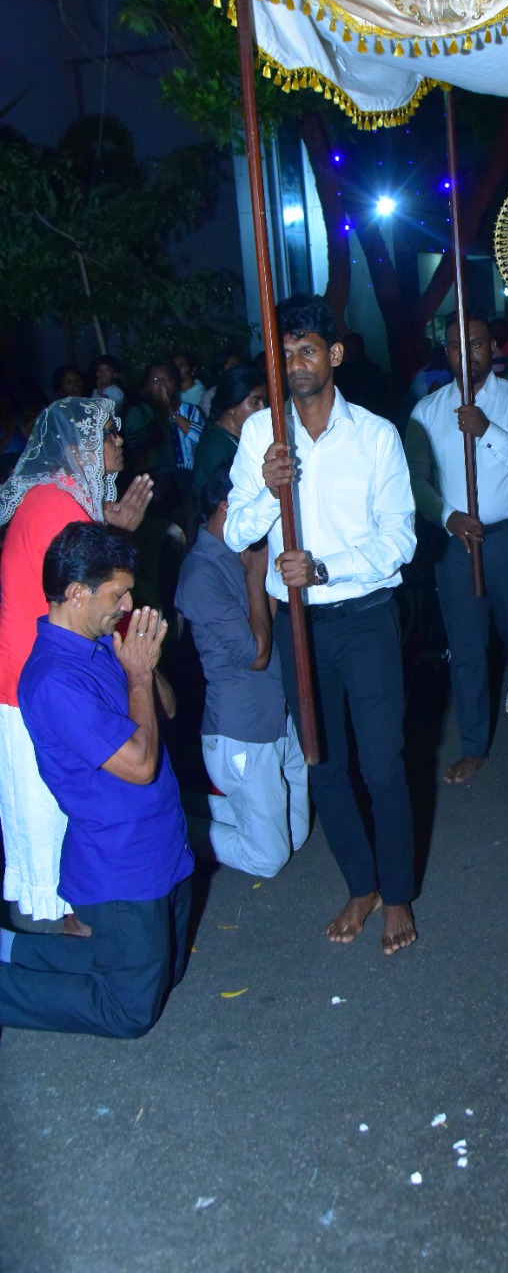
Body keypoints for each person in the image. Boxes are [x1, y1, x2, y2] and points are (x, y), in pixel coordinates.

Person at [224, 294, 418, 954]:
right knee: (322, 764)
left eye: (306, 348)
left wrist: (326, 567)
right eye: (282, 351)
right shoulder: (260, 435)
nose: (294, 361)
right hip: (298, 627)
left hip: (364, 620)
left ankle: (397, 898)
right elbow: (239, 534)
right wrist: (265, 485)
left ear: (333, 355)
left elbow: (400, 540)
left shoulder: (376, 436)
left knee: (383, 765)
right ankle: (359, 885)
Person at [0, 523, 192, 1039]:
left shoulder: (98, 642)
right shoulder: (52, 678)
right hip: (122, 864)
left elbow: (167, 711)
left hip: (162, 844)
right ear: (77, 594)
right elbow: (140, 765)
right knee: (129, 1011)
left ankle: (13, 947)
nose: (128, 603)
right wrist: (137, 677)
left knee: (165, 974)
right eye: (118, 593)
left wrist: (143, 665)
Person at [0, 401, 152, 924]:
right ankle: (54, 956)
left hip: (47, 678)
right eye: (107, 433)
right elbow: (95, 598)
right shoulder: (57, 506)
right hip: (36, 686)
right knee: (53, 812)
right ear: (75, 447)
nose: (119, 441)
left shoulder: (67, 500)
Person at [405, 314, 508, 784]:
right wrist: (446, 515)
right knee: (467, 648)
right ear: (446, 352)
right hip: (457, 546)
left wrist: (487, 431)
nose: (466, 353)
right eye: (456, 346)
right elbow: (416, 480)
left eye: (475, 344)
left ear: (492, 347)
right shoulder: (426, 411)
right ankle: (474, 744)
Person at [175, 472, 308, 878]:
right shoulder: (201, 573)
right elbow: (255, 655)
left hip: (279, 717)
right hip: (241, 732)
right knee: (268, 858)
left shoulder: (245, 551)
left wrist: (266, 570)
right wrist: (255, 574)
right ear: (226, 509)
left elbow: (271, 620)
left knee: (296, 835)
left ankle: (188, 803)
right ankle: (174, 831)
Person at [124, 360, 205, 521]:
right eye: (155, 380)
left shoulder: (191, 410)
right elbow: (136, 444)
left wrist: (171, 411)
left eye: (166, 379)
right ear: (147, 385)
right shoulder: (139, 412)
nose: (161, 385)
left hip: (187, 482)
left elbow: (200, 439)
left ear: (175, 382)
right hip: (154, 487)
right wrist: (160, 414)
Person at [191, 364, 268, 500]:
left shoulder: (245, 436)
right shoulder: (214, 447)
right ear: (232, 405)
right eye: (255, 401)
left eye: (264, 401)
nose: (263, 408)